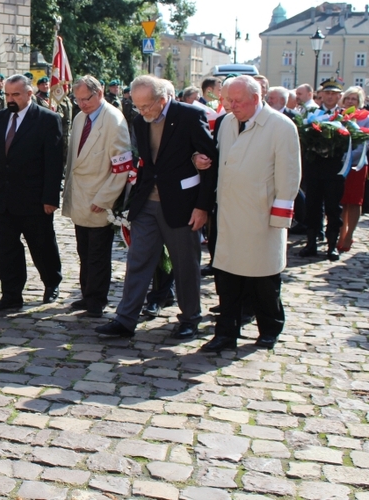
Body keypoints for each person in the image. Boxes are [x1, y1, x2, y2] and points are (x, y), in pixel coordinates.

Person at [95, 75, 217, 340]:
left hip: (182, 205)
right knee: (137, 261)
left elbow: (210, 162)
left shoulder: (189, 116)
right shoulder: (141, 121)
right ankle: (125, 319)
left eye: (146, 106)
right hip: (147, 204)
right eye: (137, 106)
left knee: (185, 266)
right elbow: (148, 164)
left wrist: (202, 207)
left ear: (162, 99)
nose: (141, 112)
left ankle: (190, 319)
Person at [200, 75, 300, 352]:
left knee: (263, 279)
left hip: (261, 216)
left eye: (237, 101)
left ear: (256, 99)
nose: (231, 106)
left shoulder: (281, 126)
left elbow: (289, 177)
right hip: (228, 214)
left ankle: (270, 328)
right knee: (227, 279)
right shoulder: (226, 123)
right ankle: (226, 332)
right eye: (228, 100)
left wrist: (279, 219)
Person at [0, 74, 63, 311]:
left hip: (34, 199)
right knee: (7, 249)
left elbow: (54, 162)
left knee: (42, 245)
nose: (10, 99)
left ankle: (51, 282)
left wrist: (50, 197)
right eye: (8, 94)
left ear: (29, 94)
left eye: (16, 95)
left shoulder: (47, 119)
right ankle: (11, 294)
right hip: (3, 198)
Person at [62, 76, 131, 317]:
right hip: (80, 197)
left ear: (99, 93)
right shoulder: (80, 118)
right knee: (84, 251)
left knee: (98, 255)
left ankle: (96, 300)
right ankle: (86, 293)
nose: (82, 104)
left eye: (86, 99)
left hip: (99, 198)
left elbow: (122, 166)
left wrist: (105, 198)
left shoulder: (113, 119)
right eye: (78, 100)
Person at [300, 78, 347, 260]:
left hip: (334, 169)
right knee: (312, 205)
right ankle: (311, 243)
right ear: (321, 95)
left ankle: (332, 246)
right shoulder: (313, 114)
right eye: (327, 93)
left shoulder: (344, 116)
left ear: (339, 96)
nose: (330, 96)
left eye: (334, 94)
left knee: (333, 207)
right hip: (314, 167)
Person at [338, 86, 369, 252]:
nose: (350, 101)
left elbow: (364, 143)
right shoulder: (339, 116)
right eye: (348, 98)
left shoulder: (366, 118)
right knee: (342, 200)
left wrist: (349, 157)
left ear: (360, 102)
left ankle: (350, 234)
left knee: (354, 201)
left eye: (354, 99)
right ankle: (341, 233)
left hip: (358, 165)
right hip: (340, 165)